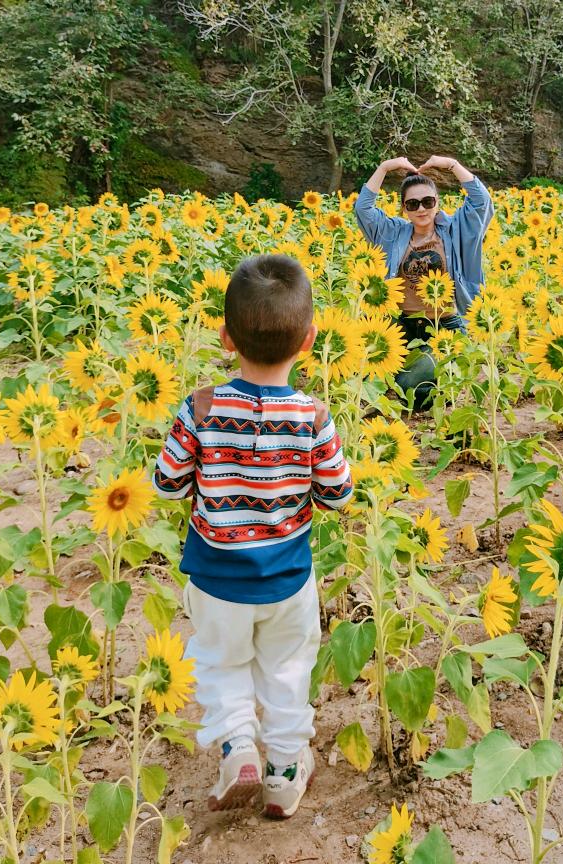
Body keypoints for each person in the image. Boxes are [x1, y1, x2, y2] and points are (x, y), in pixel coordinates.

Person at [152, 254, 353, 816]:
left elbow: (167, 484)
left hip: (217, 578)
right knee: (288, 671)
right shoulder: (313, 418)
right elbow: (338, 494)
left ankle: (238, 746)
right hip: (287, 578)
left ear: (225, 338)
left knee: (220, 663)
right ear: (309, 340)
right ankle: (284, 773)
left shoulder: (200, 408)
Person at [354, 155, 494, 407]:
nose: (421, 209)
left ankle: (434, 374)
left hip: (445, 327)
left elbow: (481, 202)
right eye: (413, 204)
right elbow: (363, 209)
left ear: (437, 203)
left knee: (412, 389)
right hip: (402, 325)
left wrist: (452, 165)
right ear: (404, 208)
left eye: (427, 201)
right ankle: (416, 370)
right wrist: (384, 167)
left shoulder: (456, 230)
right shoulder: (393, 233)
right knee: (361, 365)